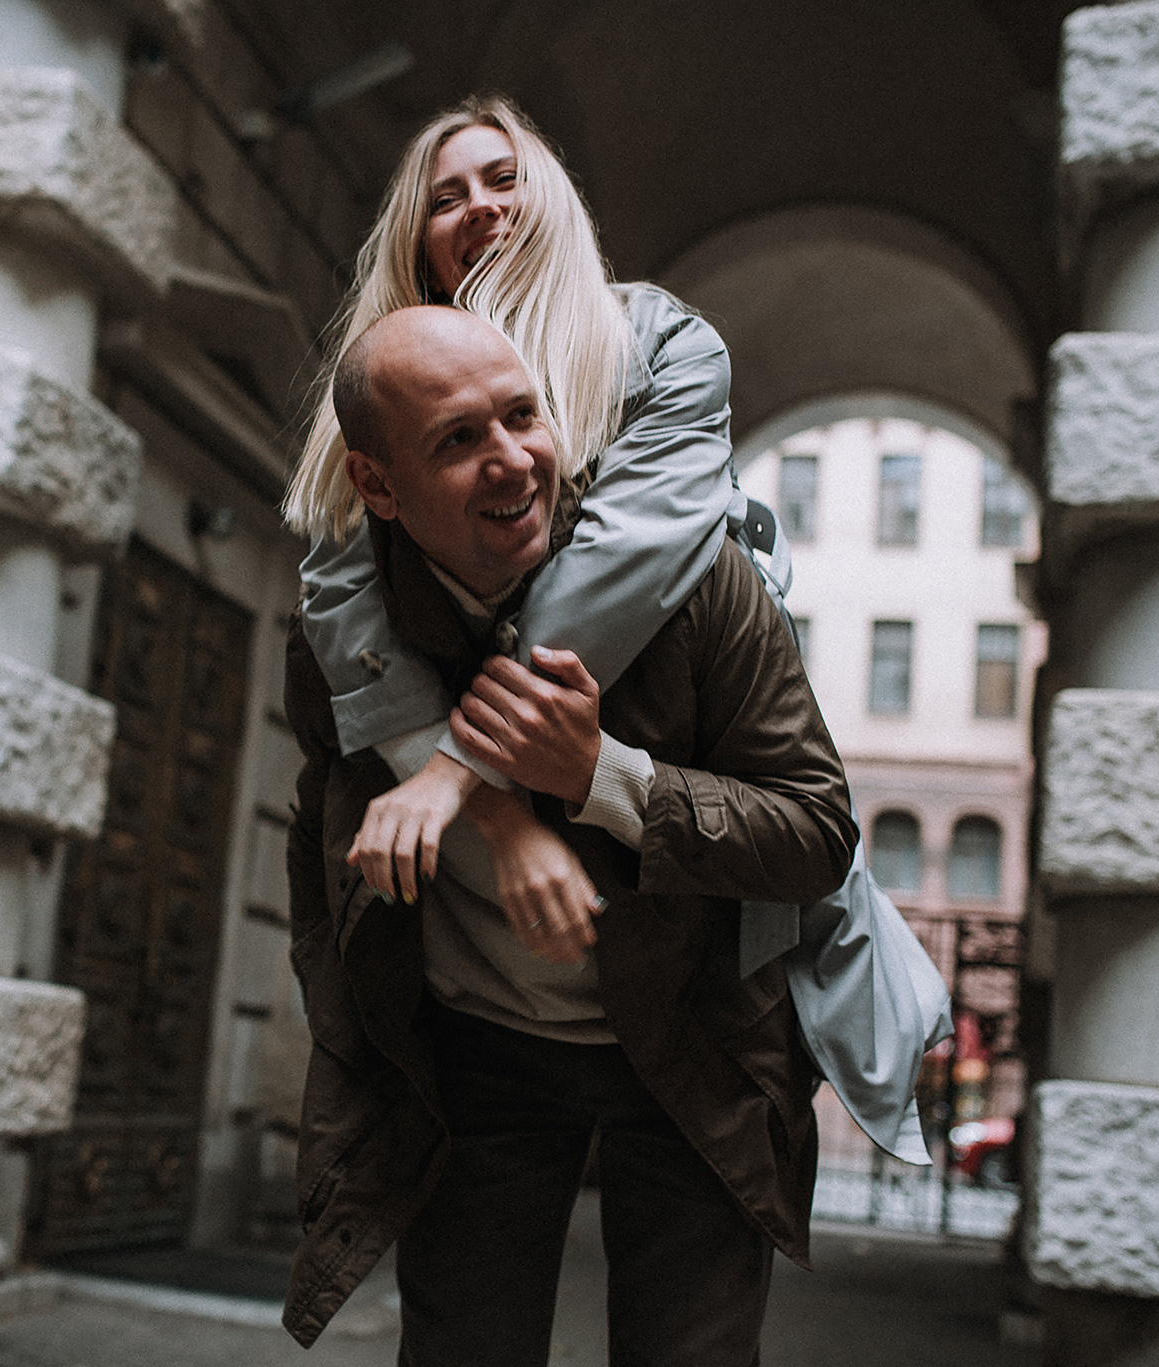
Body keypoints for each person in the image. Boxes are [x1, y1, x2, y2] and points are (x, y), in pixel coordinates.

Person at [279, 304, 858, 1362]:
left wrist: (602, 778)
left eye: (521, 416)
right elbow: (316, 835)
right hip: (472, 1057)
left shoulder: (702, 586)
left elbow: (817, 827)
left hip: (689, 1046)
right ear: (375, 484)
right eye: (458, 440)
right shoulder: (344, 633)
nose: (513, 461)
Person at [283, 96, 742, 960]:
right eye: (446, 198)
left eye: (504, 179)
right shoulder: (384, 380)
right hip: (449, 933)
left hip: (667, 817)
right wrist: (494, 815)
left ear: (555, 201)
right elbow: (344, 606)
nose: (481, 206)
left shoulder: (662, 343)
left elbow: (620, 568)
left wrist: (455, 772)